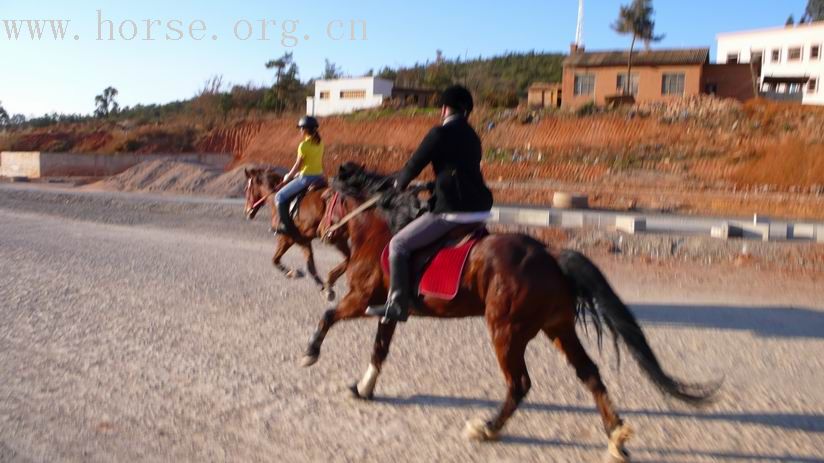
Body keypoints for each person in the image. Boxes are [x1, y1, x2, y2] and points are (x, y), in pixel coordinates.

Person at [366, 85, 494, 323]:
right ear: (466, 112)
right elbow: (460, 173)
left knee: (398, 244)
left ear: (444, 109)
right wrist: (430, 187)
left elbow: (412, 166)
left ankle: (396, 304)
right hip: (479, 212)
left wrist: (397, 187)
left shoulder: (439, 134)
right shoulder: (473, 137)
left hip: (451, 212)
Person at [275, 116, 324, 237]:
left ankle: (286, 227)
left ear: (306, 129)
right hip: (319, 176)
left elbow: (298, 164)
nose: (300, 131)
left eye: (301, 128)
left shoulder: (303, 145)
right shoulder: (321, 143)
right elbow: (313, 162)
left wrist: (289, 176)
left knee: (279, 196)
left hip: (306, 179)